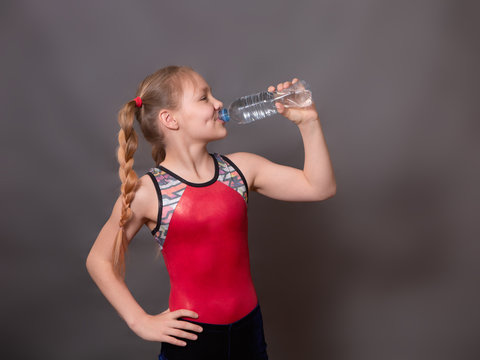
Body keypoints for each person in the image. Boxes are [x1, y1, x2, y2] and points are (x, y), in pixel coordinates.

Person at [85, 65, 336, 360]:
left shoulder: (241, 168)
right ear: (170, 119)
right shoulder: (148, 192)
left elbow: (319, 187)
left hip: (249, 334)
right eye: (204, 98)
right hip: (193, 342)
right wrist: (139, 321)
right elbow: (99, 259)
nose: (218, 103)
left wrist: (309, 123)